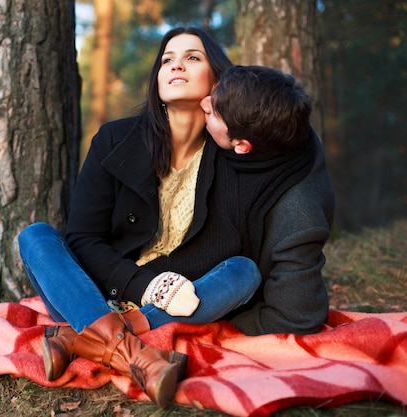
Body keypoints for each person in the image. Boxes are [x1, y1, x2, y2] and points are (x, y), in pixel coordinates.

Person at [18, 29, 334, 407]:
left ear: (218, 83)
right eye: (167, 59)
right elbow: (83, 239)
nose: (176, 65)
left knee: (243, 272)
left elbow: (289, 134)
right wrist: (145, 288)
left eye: (193, 57)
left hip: (181, 302)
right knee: (36, 237)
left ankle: (80, 339)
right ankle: (134, 354)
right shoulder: (114, 140)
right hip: (97, 294)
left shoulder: (234, 156)